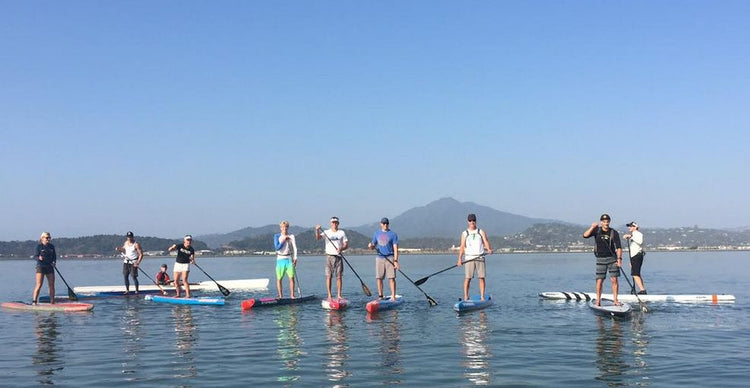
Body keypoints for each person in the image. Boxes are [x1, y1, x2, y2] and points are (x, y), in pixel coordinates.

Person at [583, 214, 624, 306]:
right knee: (600, 280)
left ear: (609, 222)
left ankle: (615, 300)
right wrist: (592, 227)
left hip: (612, 258)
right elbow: (585, 235)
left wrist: (619, 259)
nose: (606, 223)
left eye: (607, 221)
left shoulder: (613, 232)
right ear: (601, 222)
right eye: (604, 221)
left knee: (614, 280)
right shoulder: (596, 231)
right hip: (600, 258)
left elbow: (619, 247)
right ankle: (598, 300)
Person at [457, 213, 493, 301]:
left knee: (481, 277)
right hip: (469, 258)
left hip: (480, 257)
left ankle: (482, 297)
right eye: (470, 220)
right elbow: (462, 247)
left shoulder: (481, 232)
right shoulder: (465, 233)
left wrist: (489, 249)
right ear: (468, 222)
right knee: (468, 278)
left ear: (475, 221)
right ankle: (466, 296)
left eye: (473, 220)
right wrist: (459, 259)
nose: (472, 222)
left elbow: (486, 241)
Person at [315, 216, 348, 301]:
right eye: (333, 222)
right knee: (329, 276)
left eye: (336, 222)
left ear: (338, 223)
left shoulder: (342, 232)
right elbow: (318, 238)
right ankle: (329, 295)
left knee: (339, 277)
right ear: (331, 223)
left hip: (338, 257)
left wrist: (341, 248)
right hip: (329, 256)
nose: (334, 224)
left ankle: (339, 295)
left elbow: (346, 244)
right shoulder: (326, 232)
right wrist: (318, 230)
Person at [368, 217, 399, 300]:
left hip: (390, 257)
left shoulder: (393, 234)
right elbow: (372, 246)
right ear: (381, 224)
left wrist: (396, 261)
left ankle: (393, 296)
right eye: (384, 223)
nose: (385, 225)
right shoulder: (376, 233)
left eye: (387, 223)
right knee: (379, 278)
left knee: (391, 278)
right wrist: (370, 246)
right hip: (379, 258)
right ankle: (380, 296)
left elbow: (395, 249)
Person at [273, 220, 298, 299]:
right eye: (283, 227)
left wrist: (295, 258)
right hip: (280, 259)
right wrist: (283, 240)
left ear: (288, 228)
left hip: (289, 259)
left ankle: (292, 295)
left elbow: (295, 248)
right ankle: (280, 295)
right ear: (280, 228)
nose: (285, 229)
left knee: (291, 277)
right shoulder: (277, 236)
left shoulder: (291, 236)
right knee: (279, 278)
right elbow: (277, 248)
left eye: (286, 227)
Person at [32, 232, 56, 305]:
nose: (48, 239)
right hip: (41, 267)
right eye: (47, 238)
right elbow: (35, 256)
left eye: (49, 238)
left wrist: (54, 262)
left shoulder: (52, 246)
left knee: (51, 285)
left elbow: (54, 257)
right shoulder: (38, 246)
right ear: (42, 238)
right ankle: (34, 301)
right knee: (39, 284)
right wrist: (39, 258)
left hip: (49, 267)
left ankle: (52, 302)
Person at [623, 221, 647, 294]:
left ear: (635, 227)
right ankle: (642, 290)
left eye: (631, 226)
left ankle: (642, 290)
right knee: (636, 273)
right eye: (629, 226)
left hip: (637, 255)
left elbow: (640, 241)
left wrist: (630, 237)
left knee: (635, 274)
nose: (629, 227)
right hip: (634, 257)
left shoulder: (638, 234)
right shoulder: (633, 235)